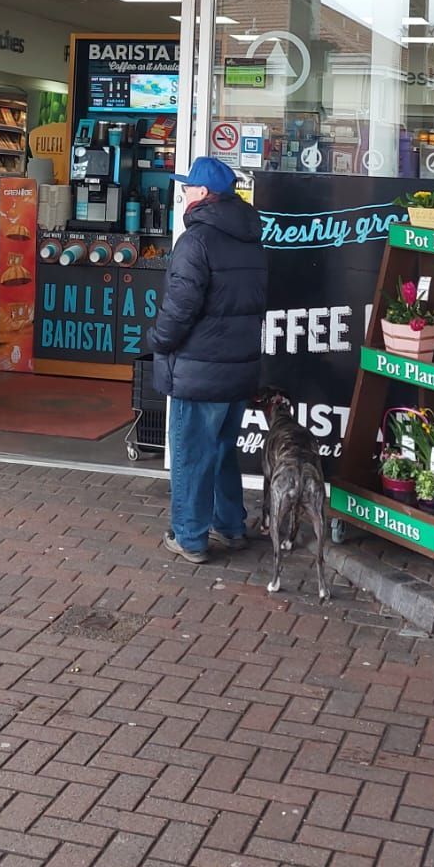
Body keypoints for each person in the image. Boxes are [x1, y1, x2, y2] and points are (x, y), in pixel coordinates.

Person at [146, 154, 268, 564]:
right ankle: (231, 526)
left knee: (191, 454)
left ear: (202, 193)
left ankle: (190, 537)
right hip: (238, 366)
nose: (181, 196)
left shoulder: (195, 240)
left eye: (186, 188)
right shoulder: (251, 237)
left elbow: (180, 308)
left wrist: (158, 340)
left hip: (199, 367)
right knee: (220, 449)